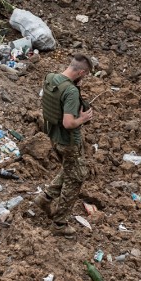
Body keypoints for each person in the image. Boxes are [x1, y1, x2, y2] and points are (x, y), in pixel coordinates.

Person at [40, 54, 94, 233]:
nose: (84, 77)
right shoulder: (70, 92)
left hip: (54, 137)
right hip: (69, 141)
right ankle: (60, 223)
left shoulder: (52, 79)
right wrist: (83, 118)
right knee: (76, 178)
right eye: (85, 74)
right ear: (81, 72)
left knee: (70, 169)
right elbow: (68, 122)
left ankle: (46, 198)